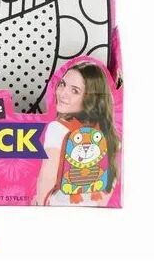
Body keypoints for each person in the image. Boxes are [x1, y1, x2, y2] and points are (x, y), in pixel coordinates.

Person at [33, 62, 119, 206]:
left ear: (90, 99)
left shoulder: (57, 129)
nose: (62, 93)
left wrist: (39, 205)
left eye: (75, 91)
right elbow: (109, 186)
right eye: (62, 84)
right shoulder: (107, 134)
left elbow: (48, 178)